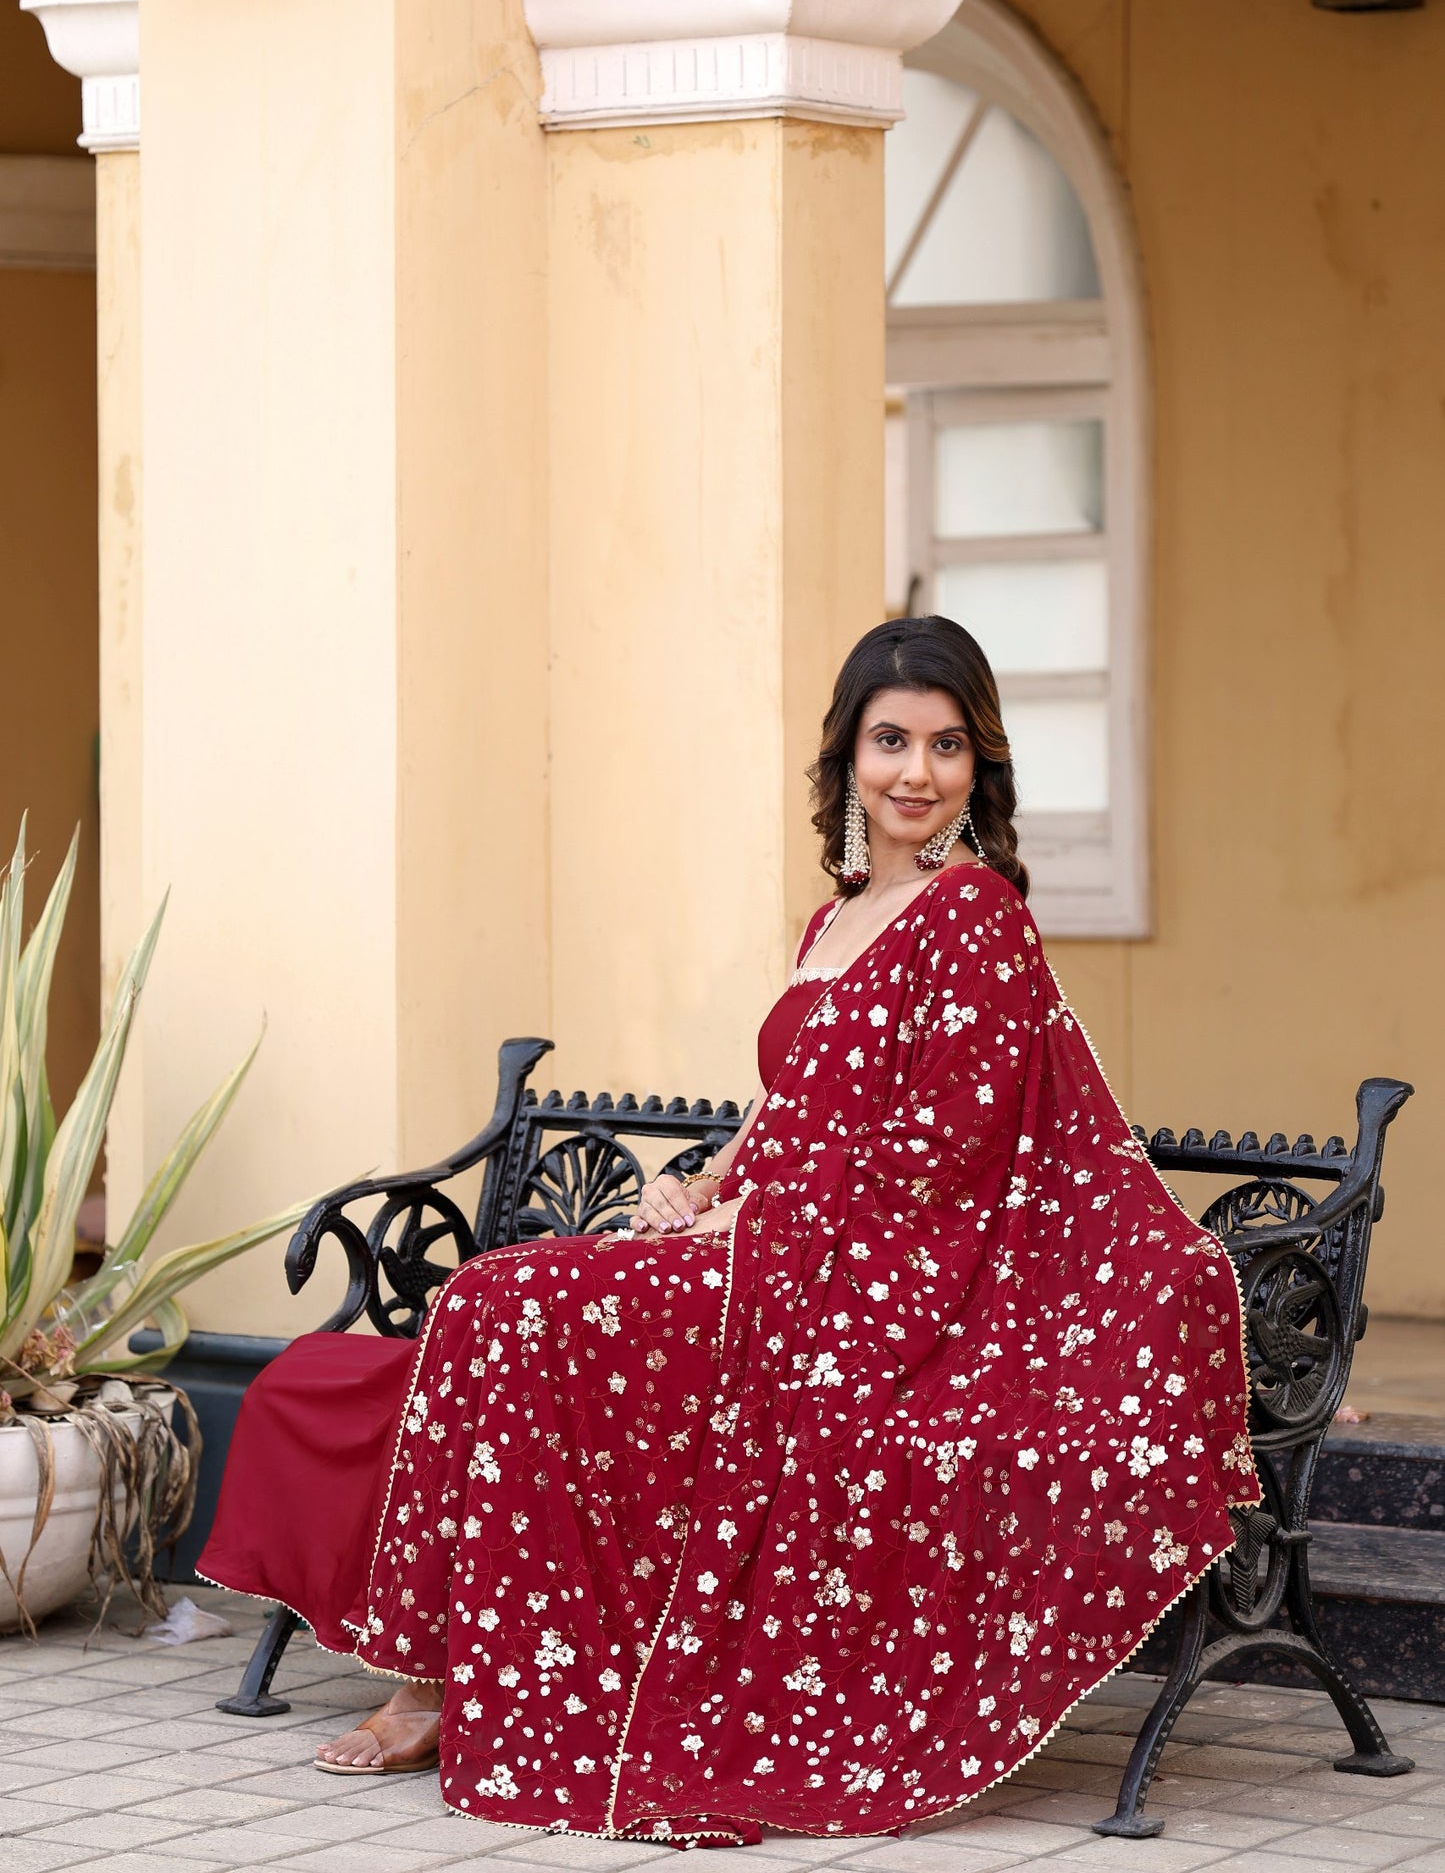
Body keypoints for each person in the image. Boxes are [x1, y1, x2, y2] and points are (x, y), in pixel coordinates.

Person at [199, 616, 1257, 1846]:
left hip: (858, 1291)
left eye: (945, 744)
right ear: (846, 759)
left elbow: (941, 1152)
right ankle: (436, 1679)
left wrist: (764, 1220)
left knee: (505, 1302)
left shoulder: (974, 918)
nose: (915, 771)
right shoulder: (840, 915)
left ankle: (442, 1682)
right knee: (494, 1295)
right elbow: (787, 1109)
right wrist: (704, 1186)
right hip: (761, 1245)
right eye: (889, 740)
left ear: (982, 766)